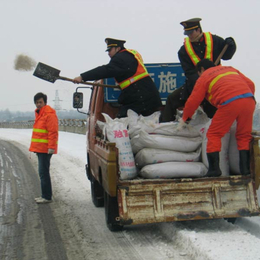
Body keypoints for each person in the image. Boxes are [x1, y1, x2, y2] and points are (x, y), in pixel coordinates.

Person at [180, 59, 255, 177]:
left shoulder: (204, 77)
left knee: (214, 134)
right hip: (249, 100)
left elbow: (193, 101)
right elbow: (250, 84)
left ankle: (214, 169)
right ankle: (245, 170)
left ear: (202, 70)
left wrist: (186, 118)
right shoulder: (231, 69)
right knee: (243, 136)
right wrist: (245, 99)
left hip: (229, 102)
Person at [160, 18, 237, 122]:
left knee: (213, 108)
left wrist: (231, 45)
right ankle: (166, 127)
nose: (189, 35)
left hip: (216, 84)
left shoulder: (215, 40)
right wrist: (202, 82)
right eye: (187, 33)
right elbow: (189, 72)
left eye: (191, 32)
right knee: (172, 99)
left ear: (198, 30)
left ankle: (219, 126)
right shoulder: (183, 51)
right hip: (195, 84)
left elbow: (227, 55)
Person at [73, 38, 162, 118]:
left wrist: (82, 77)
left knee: (122, 123)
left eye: (110, 50)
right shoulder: (130, 54)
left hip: (140, 96)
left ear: (118, 48)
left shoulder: (120, 58)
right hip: (145, 95)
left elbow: (105, 70)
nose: (108, 53)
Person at [29, 92, 59, 203]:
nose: (38, 104)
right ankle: (45, 195)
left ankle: (46, 196)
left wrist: (51, 147)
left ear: (45, 102)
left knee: (43, 172)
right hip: (40, 148)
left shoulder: (49, 114)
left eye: (40, 102)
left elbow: (53, 132)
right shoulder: (40, 114)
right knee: (43, 172)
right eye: (36, 102)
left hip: (46, 149)